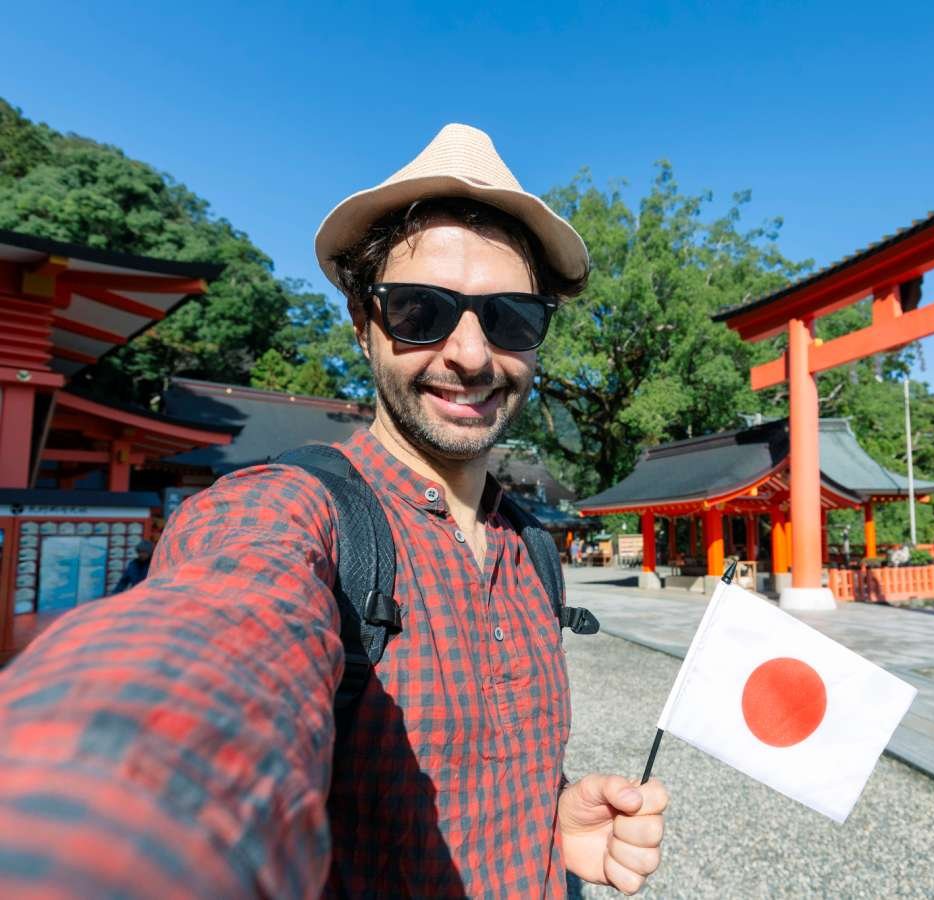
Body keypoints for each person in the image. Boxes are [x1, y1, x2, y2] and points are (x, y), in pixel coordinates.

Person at [0, 124, 667, 899]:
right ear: (363, 322)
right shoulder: (295, 513)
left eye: (511, 317)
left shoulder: (531, 549)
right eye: (421, 310)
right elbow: (214, 640)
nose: (473, 354)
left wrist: (550, 819)